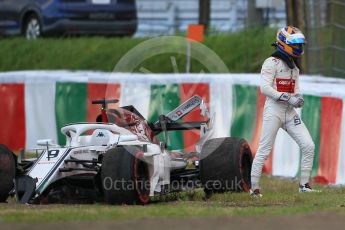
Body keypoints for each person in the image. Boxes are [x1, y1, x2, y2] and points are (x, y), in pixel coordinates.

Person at [250, 26, 316, 197]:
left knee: (309, 146)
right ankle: (254, 189)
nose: (299, 46)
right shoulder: (271, 63)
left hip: (289, 112)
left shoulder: (294, 67)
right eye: (295, 43)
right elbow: (264, 88)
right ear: (284, 43)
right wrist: (288, 98)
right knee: (264, 150)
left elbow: (296, 90)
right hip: (274, 111)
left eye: (300, 43)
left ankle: (304, 186)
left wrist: (298, 98)